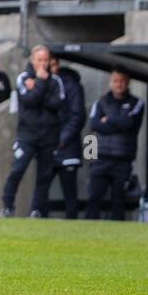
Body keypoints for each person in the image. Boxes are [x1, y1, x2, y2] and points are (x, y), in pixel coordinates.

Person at [1, 44, 63, 218]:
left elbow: (57, 104)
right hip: (27, 134)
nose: (43, 64)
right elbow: (29, 101)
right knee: (17, 170)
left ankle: (36, 209)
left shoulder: (56, 80)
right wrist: (42, 85)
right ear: (32, 60)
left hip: (49, 135)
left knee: (44, 175)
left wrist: (38, 85)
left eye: (45, 60)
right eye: (39, 60)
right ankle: (7, 206)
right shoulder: (23, 78)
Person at [85, 69, 143, 221]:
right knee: (94, 197)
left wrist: (109, 119)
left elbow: (129, 124)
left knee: (118, 200)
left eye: (122, 81)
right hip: (100, 158)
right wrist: (119, 121)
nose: (119, 84)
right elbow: (95, 125)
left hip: (123, 158)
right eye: (116, 81)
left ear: (128, 82)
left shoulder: (136, 103)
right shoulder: (100, 102)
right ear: (110, 82)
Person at [51, 57, 85, 219]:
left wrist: (62, 140)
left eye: (50, 63)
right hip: (47, 148)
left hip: (68, 149)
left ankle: (73, 226)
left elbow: (80, 118)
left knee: (70, 193)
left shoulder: (72, 87)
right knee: (40, 192)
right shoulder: (40, 84)